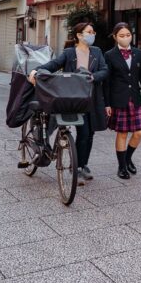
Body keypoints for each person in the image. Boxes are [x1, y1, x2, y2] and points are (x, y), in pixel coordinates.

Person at [33, 22, 108, 184]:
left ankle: (84, 165)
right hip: (73, 98)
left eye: (93, 32)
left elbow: (104, 70)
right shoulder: (69, 53)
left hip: (92, 97)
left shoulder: (97, 52)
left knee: (90, 134)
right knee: (83, 133)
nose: (92, 35)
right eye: (89, 32)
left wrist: (93, 77)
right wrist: (37, 70)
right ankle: (78, 168)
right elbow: (53, 65)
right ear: (79, 35)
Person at [103, 22, 141, 180]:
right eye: (122, 35)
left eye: (128, 35)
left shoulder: (138, 53)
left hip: (135, 98)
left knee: (139, 132)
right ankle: (122, 166)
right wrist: (107, 103)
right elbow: (107, 82)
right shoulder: (109, 55)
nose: (125, 38)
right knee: (122, 133)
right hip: (118, 98)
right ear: (115, 37)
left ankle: (128, 158)